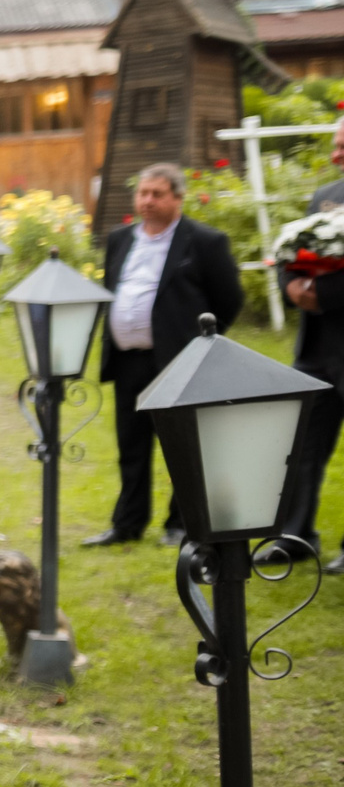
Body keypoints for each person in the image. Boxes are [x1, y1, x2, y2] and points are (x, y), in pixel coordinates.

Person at [88, 163, 244, 548]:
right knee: (131, 446)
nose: (147, 201)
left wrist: (201, 343)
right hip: (128, 360)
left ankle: (181, 524)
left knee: (182, 446)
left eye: (157, 194)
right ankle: (127, 523)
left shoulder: (204, 241)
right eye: (142, 193)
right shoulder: (121, 238)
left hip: (178, 361)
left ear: (178, 197)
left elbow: (230, 298)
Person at [279, 120, 344, 570]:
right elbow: (295, 249)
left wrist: (323, 294)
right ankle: (294, 536)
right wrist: (292, 286)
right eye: (336, 145)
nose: (336, 153)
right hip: (316, 347)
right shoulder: (325, 194)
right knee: (301, 444)